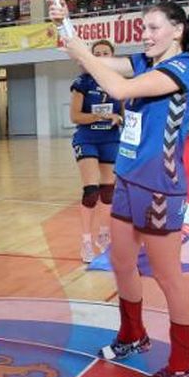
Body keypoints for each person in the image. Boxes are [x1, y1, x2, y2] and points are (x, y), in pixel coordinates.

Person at [50, 0, 189, 377]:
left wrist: (83, 52)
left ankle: (186, 363)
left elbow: (117, 86)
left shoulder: (185, 68)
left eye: (153, 28)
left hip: (159, 185)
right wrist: (66, 26)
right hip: (128, 179)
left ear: (177, 30)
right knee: (121, 262)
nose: (145, 35)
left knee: (168, 277)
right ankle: (133, 335)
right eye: (143, 28)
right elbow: (95, 63)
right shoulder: (144, 62)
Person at [70, 40, 123, 263]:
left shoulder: (118, 82)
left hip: (110, 138)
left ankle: (104, 235)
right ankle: (86, 242)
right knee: (91, 192)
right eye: (97, 53)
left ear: (112, 56)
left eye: (105, 53)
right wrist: (99, 116)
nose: (101, 56)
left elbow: (123, 115)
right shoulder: (82, 82)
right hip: (87, 139)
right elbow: (75, 116)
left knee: (108, 192)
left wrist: (118, 118)